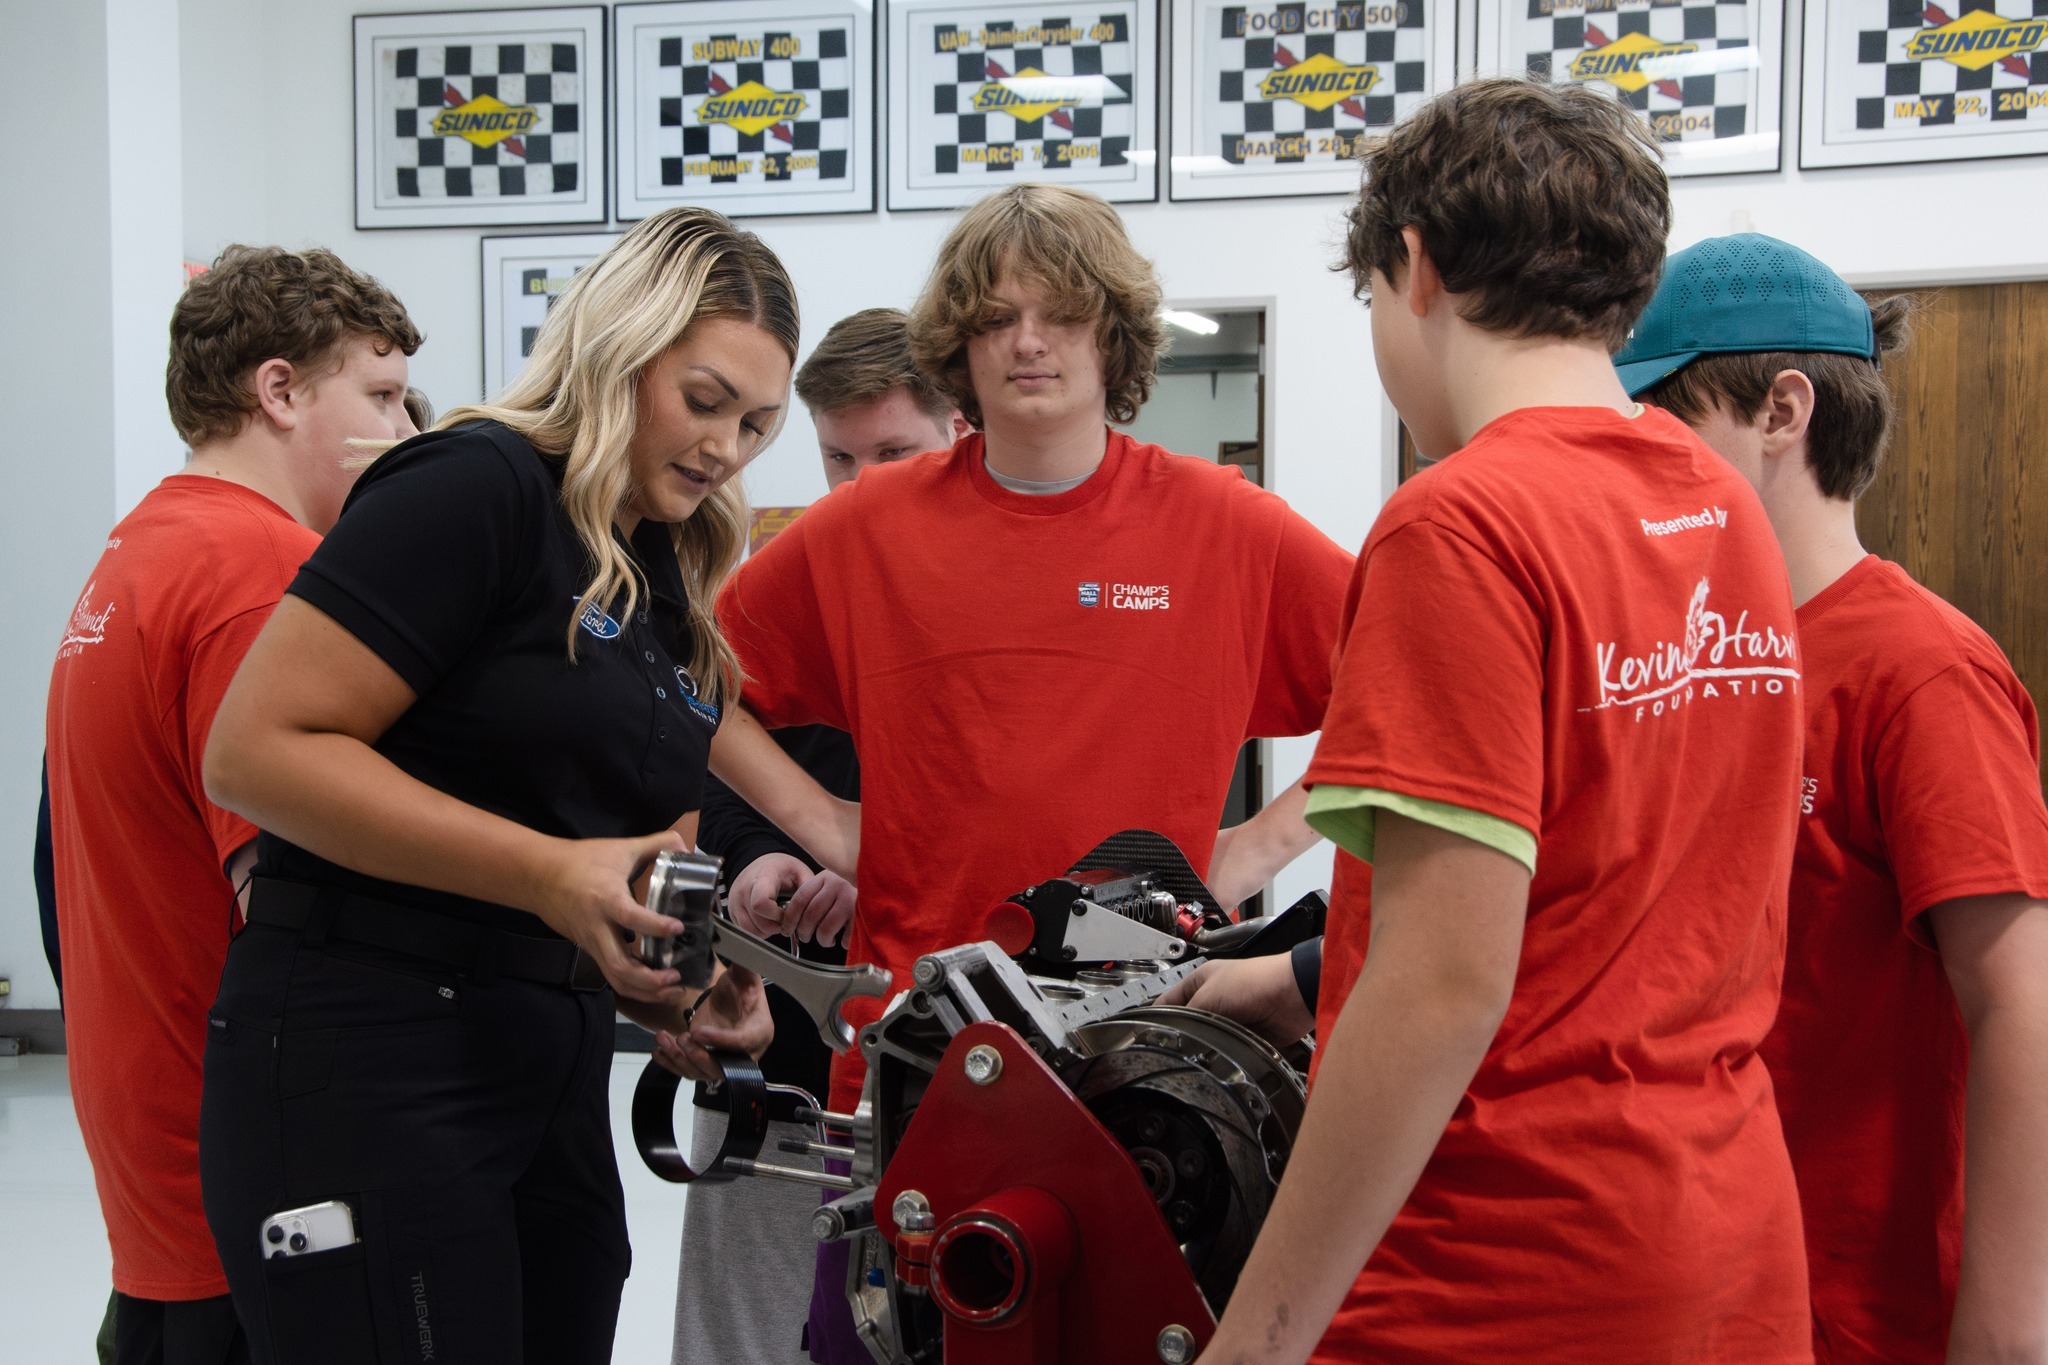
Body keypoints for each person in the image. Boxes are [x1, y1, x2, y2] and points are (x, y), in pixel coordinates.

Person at [1192, 80, 1812, 1364]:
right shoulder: (1717, 499)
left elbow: (1441, 984)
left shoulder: (1458, 521)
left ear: (1412, 268)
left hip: (1500, 1276)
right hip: (1723, 1238)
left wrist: (1258, 1335)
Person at [196, 207, 849, 1365]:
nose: (725, 450)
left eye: (754, 424)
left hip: (538, 1061)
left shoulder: (657, 563)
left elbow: (618, 841)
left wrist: (679, 990)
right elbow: (256, 751)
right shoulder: (476, 485)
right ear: (616, 350)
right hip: (371, 1054)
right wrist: (549, 876)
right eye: (701, 402)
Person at [715, 182, 1354, 1363]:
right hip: (918, 1053)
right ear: (956, 344)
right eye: (995, 316)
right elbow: (696, 678)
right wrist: (824, 823)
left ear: (1111, 335)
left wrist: (1255, 850)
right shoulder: (867, 529)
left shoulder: (1225, 525)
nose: (1026, 342)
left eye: (1060, 313)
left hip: (1151, 1057)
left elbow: (1412, 685)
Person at [1617, 235, 2048, 1365]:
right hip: (1698, 1274)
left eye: (1660, 420)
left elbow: (2019, 1003)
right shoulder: (1688, 658)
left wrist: (2005, 1330)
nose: (1633, 460)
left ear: (1779, 412)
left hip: (1858, 1301)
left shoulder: (1918, 669)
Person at [44, 244, 422, 1365]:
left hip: (147, 1126)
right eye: (383, 396)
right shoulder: (262, 572)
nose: (403, 438)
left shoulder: (140, 550)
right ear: (280, 390)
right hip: (243, 1147)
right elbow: (295, 907)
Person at [670, 307, 971, 1365]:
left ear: (960, 430)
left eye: (894, 454)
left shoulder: (1013, 600)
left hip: (955, 1066)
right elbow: (700, 745)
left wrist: (881, 859)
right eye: (840, 458)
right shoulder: (792, 577)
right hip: (781, 1054)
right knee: (740, 1340)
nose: (864, 487)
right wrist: (761, 860)